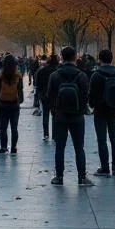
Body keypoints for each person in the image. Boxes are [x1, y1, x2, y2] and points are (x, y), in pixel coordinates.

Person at [46, 47, 93, 187]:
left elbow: (49, 96)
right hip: (77, 116)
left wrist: (55, 110)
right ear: (74, 57)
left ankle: (59, 177)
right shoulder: (81, 75)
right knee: (79, 147)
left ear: (62, 57)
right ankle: (82, 177)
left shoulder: (54, 75)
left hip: (60, 116)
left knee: (60, 147)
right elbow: (86, 95)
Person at [88, 49, 115, 176]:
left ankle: (105, 168)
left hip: (100, 111)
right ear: (112, 59)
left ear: (100, 59)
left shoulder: (96, 75)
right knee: (114, 139)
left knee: (102, 140)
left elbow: (91, 94)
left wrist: (92, 105)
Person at [0, 55, 25, 154]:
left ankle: (3, 147)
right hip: (14, 105)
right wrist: (19, 101)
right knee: (14, 128)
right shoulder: (18, 76)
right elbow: (20, 92)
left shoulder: (0, 76)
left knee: (3, 128)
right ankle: (14, 147)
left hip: (3, 104)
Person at [35, 54, 59, 141]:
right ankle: (55, 135)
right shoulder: (56, 71)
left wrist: (40, 94)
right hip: (54, 96)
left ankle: (46, 134)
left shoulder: (41, 71)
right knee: (54, 115)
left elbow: (37, 84)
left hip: (44, 95)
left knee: (45, 114)